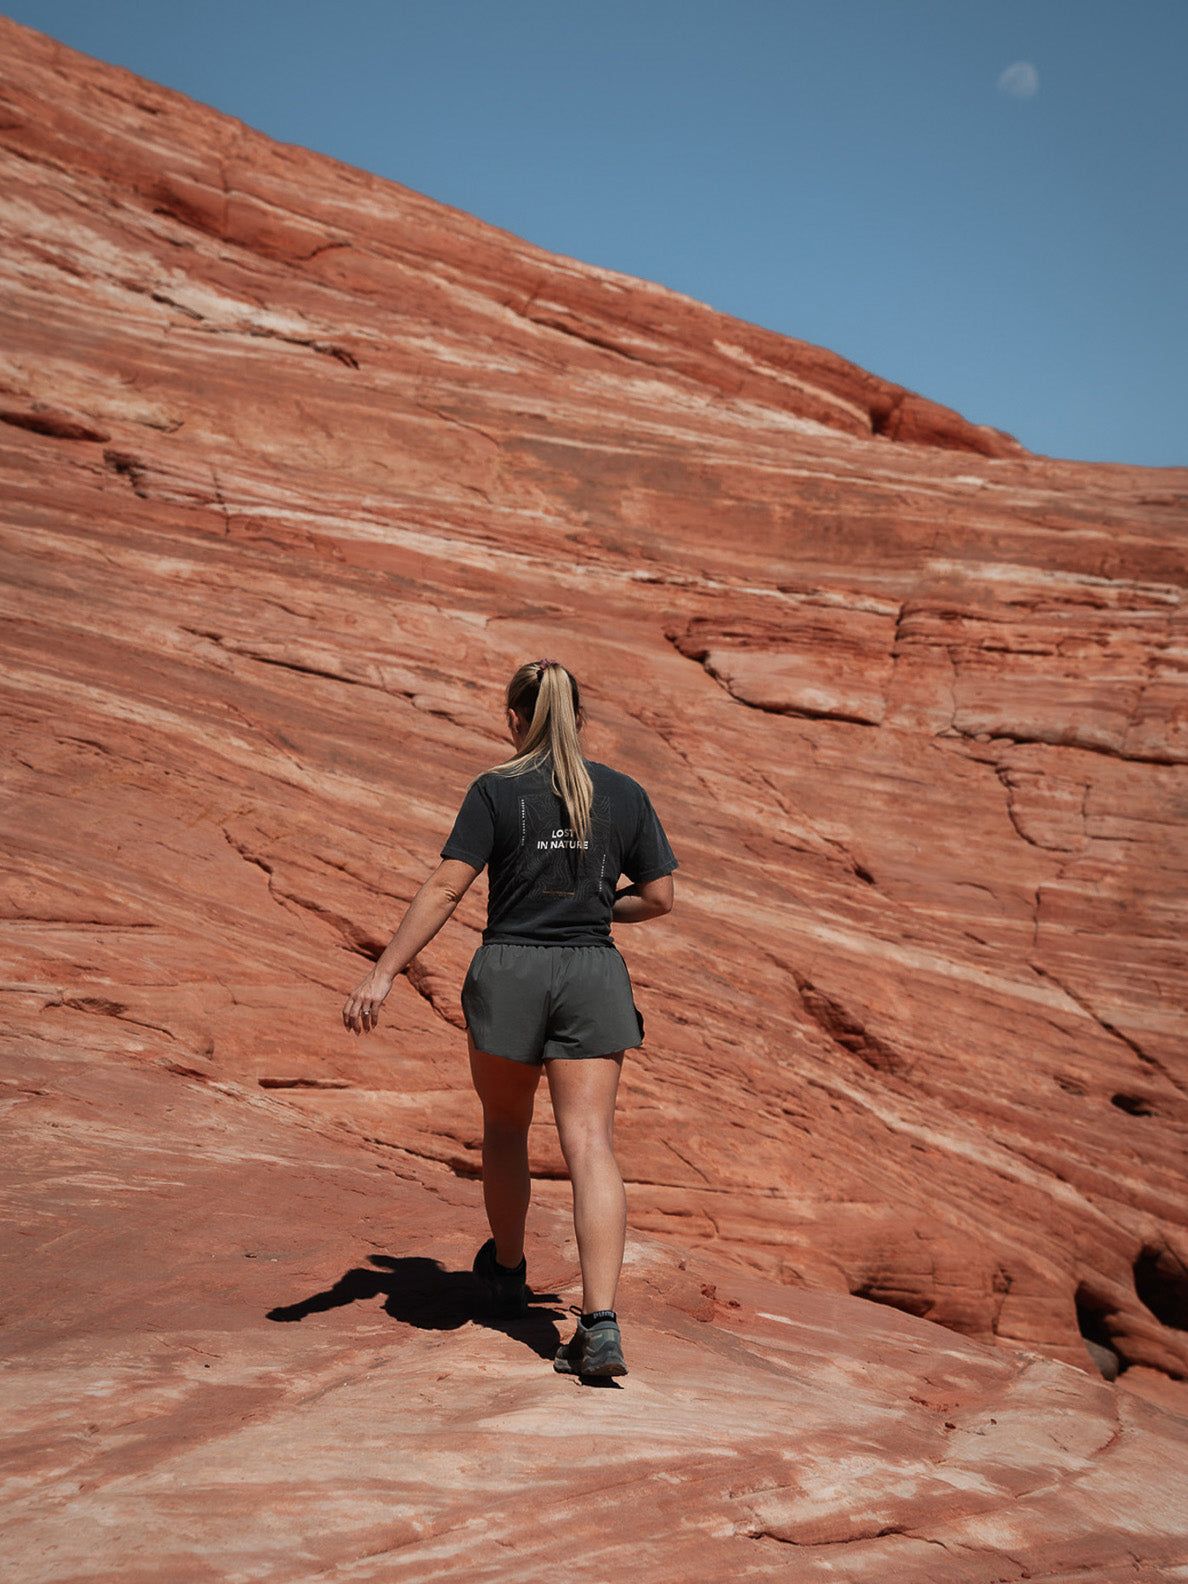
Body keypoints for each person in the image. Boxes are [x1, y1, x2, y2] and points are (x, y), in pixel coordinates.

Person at [342, 659, 677, 1379]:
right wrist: (591, 908)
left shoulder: (496, 791)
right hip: (591, 973)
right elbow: (660, 896)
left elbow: (445, 889)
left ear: (514, 721)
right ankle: (600, 1324)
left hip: (512, 971)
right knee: (590, 1142)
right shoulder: (622, 793)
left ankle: (507, 1271)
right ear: (580, 720)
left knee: (505, 1127)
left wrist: (384, 970)